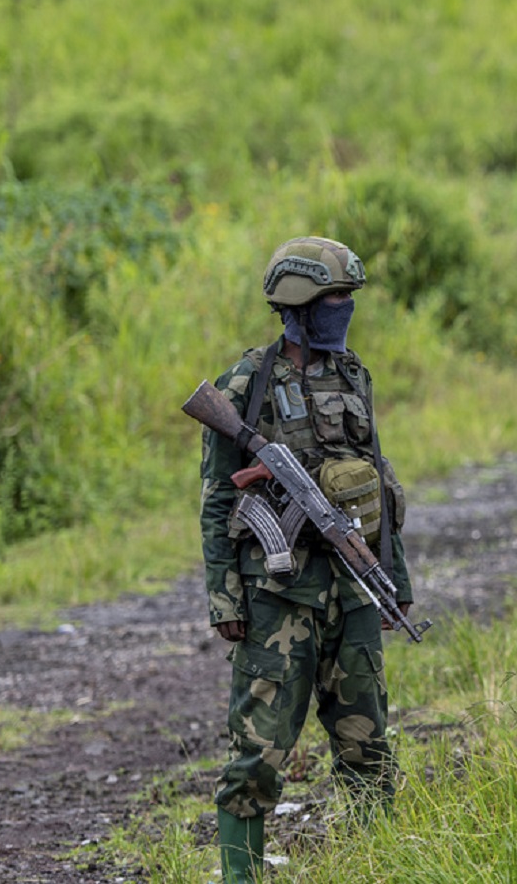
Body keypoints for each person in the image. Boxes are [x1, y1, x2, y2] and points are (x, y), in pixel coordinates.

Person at [198, 236, 415, 882]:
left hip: (351, 591)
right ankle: (241, 874)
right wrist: (224, 597)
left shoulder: (352, 375)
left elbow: (378, 480)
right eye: (333, 298)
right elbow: (216, 498)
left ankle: (381, 863)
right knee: (257, 753)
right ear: (297, 302)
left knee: (368, 743)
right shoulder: (246, 381)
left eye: (348, 297)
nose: (344, 309)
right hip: (277, 597)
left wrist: (393, 582)